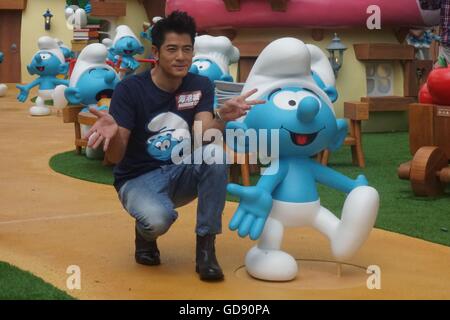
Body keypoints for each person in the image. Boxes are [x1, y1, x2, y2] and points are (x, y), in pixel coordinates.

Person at [85, 11, 263, 281]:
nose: (181, 56)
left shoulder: (199, 84)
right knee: (157, 220)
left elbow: (204, 136)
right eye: (172, 49)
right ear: (156, 52)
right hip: (138, 178)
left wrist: (222, 118)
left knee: (215, 153)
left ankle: (206, 250)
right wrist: (114, 134)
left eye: (187, 49)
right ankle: (145, 236)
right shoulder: (130, 89)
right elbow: (116, 157)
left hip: (180, 170)